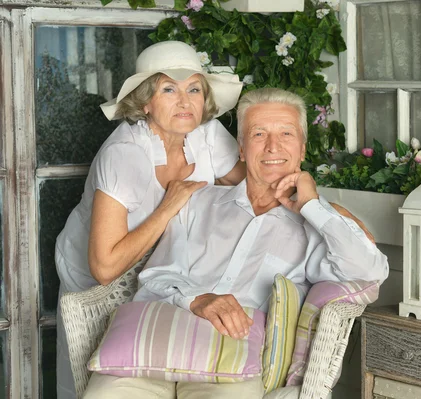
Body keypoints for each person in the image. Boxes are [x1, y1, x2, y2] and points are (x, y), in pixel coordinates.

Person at [83, 88, 389, 399]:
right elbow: (154, 279)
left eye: (286, 133)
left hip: (232, 367)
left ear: (302, 149)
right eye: (259, 133)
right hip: (154, 347)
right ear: (241, 149)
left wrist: (313, 206)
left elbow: (369, 269)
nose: (273, 146)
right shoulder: (195, 203)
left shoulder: (315, 229)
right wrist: (197, 299)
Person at [55, 41, 245, 399]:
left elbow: (258, 189)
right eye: (169, 89)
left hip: (159, 272)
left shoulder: (205, 134)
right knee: (95, 369)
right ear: (145, 101)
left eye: (194, 89)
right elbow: (105, 267)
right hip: (93, 279)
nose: (185, 101)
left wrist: (318, 204)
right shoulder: (124, 155)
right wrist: (167, 206)